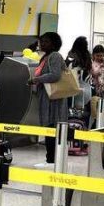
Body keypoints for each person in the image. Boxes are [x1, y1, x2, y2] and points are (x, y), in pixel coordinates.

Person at [30, 31, 68, 167]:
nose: (42, 44)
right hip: (46, 97)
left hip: (53, 99)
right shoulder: (46, 57)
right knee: (48, 128)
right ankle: (50, 159)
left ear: (53, 43)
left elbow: (55, 75)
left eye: (45, 41)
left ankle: (52, 160)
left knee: (51, 128)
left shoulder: (55, 56)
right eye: (42, 41)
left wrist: (36, 79)